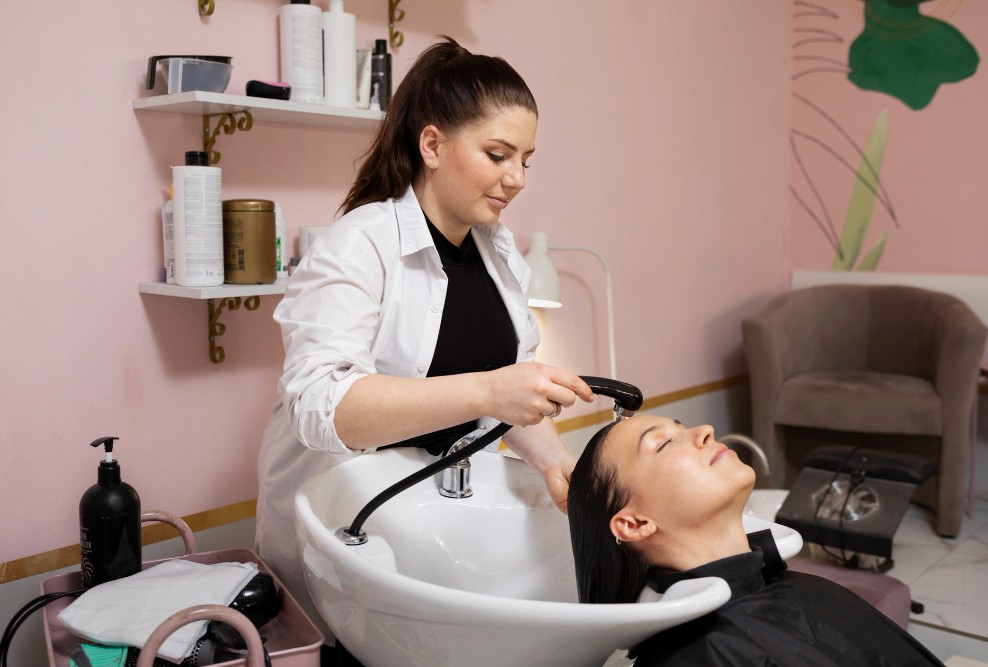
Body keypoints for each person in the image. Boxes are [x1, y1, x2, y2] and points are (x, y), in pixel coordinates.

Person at [256, 36, 594, 656]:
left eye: (526, 159)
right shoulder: (359, 247)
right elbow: (320, 407)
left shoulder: (499, 253)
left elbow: (510, 384)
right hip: (349, 533)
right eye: (498, 154)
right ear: (433, 145)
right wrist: (489, 389)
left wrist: (555, 465)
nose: (516, 179)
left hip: (436, 520)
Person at [567, 415, 944, 666]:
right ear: (634, 523)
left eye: (682, 427)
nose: (705, 430)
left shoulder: (784, 587)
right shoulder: (702, 652)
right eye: (662, 444)